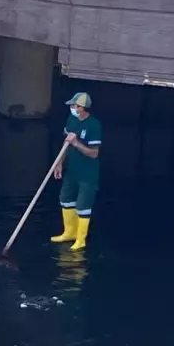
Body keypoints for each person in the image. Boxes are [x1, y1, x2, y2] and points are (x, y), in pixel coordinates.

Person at [51, 92, 102, 251]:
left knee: (82, 206)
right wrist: (59, 163)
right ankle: (69, 233)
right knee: (65, 199)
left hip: (87, 174)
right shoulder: (71, 120)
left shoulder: (94, 125)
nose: (72, 108)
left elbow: (94, 153)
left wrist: (76, 143)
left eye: (74, 106)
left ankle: (81, 239)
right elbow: (66, 143)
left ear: (82, 108)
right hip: (72, 170)